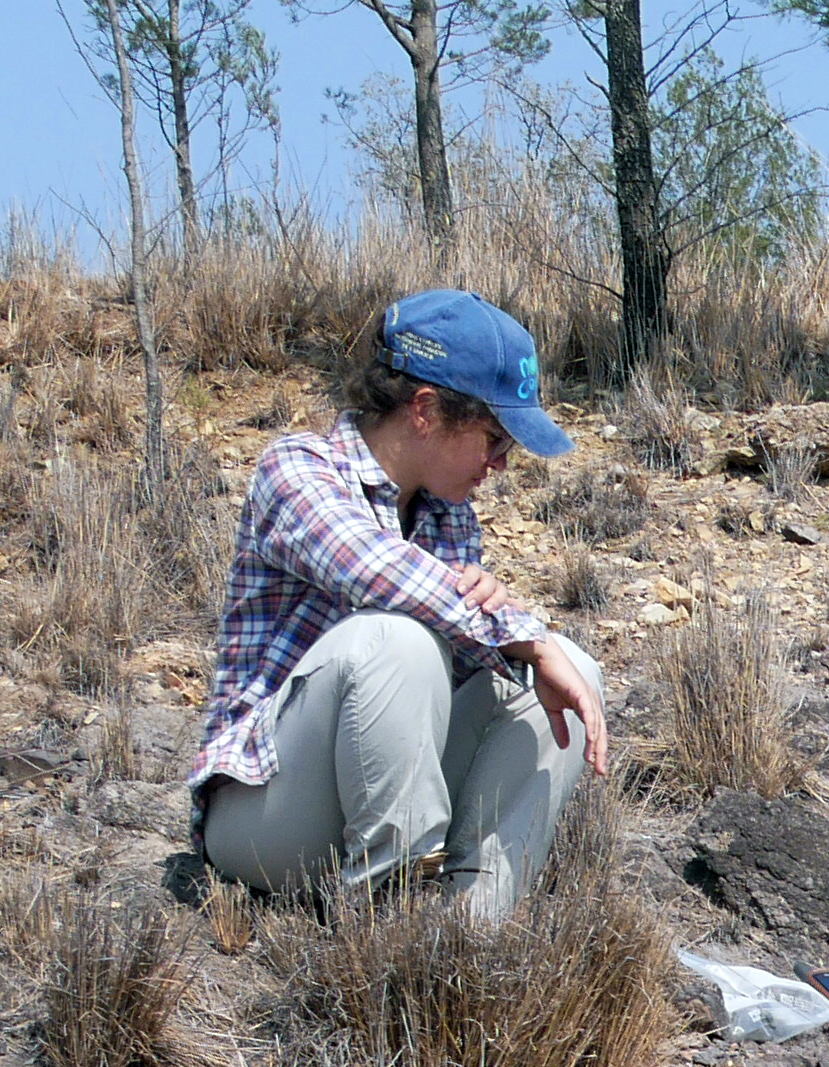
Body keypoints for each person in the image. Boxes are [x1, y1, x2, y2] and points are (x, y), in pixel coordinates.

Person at [187, 291, 617, 926]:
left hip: (373, 789)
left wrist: (521, 642)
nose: (500, 464)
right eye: (494, 438)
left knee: (570, 671)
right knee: (399, 640)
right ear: (425, 410)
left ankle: (472, 929)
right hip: (266, 817)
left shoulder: (450, 516)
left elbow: (465, 658)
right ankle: (391, 928)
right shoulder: (297, 468)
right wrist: (520, 631)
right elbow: (376, 570)